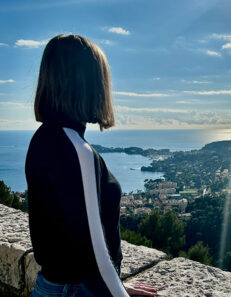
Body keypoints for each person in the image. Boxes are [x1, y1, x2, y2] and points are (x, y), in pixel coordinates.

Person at [25, 34, 158, 297]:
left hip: (53, 287)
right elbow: (93, 259)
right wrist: (115, 290)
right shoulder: (76, 150)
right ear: (91, 84)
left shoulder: (43, 139)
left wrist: (114, 284)